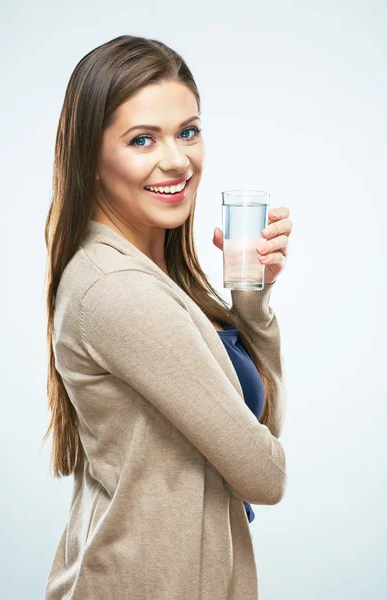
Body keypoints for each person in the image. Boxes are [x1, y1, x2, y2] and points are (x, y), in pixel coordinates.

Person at [42, 34, 293, 600]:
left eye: (187, 131)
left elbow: (261, 429)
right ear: (91, 155)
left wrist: (250, 301)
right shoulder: (116, 291)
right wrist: (257, 450)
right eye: (142, 139)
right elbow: (265, 475)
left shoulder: (156, 274)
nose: (177, 159)